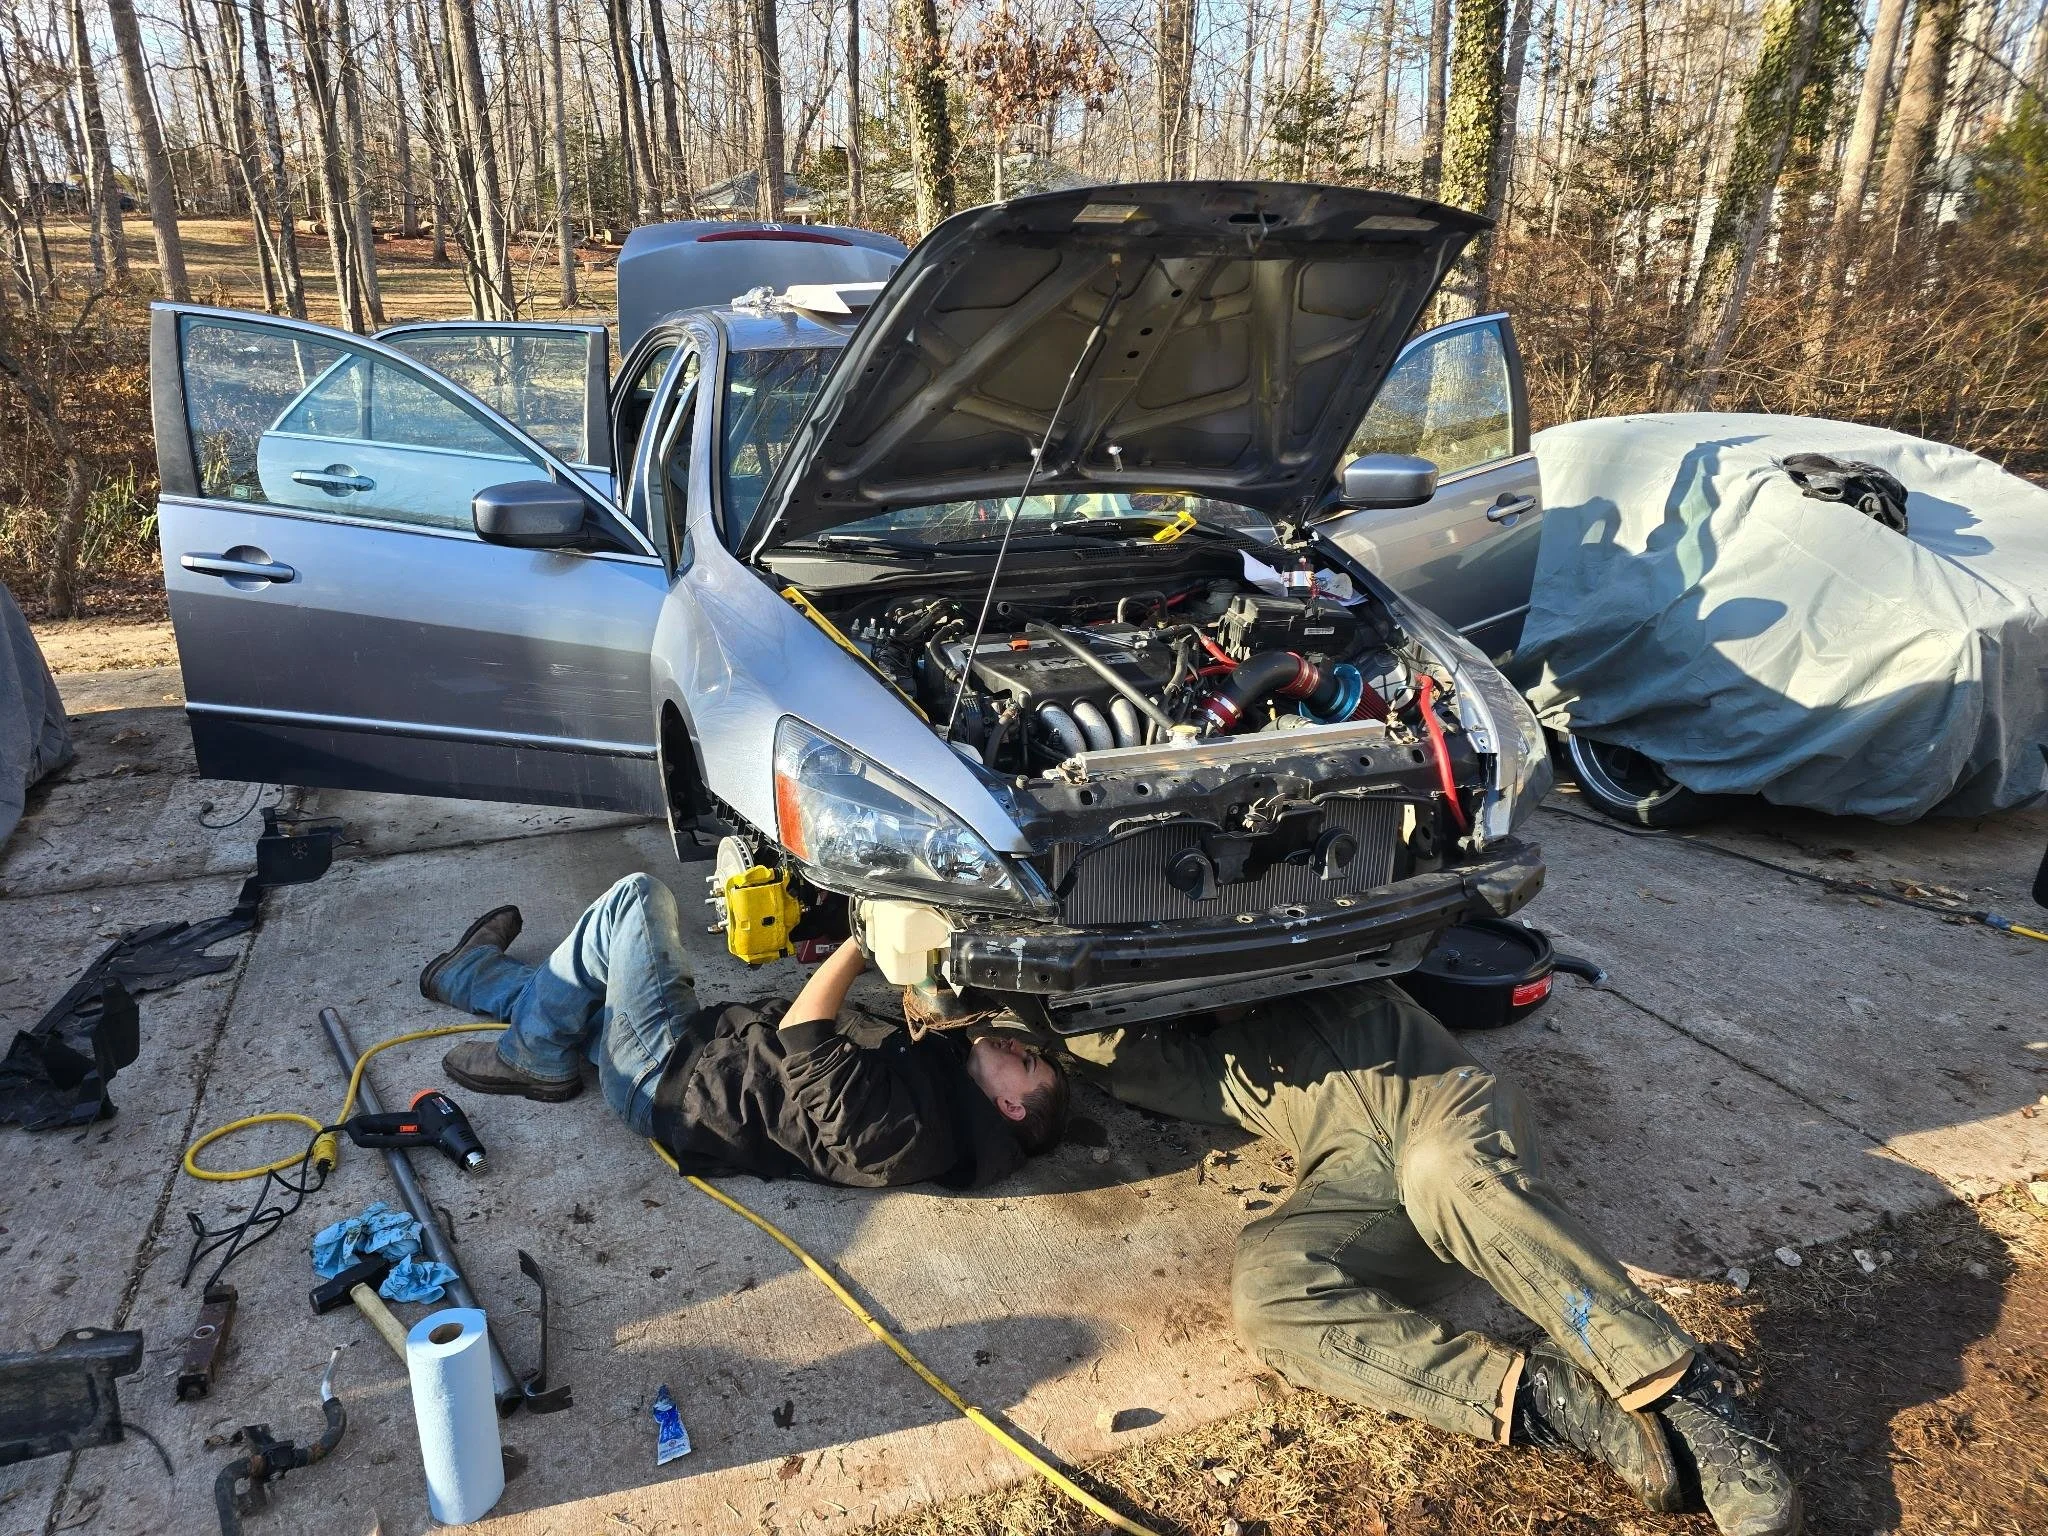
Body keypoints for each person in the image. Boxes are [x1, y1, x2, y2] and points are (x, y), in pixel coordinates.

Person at [1062, 981, 1800, 1536]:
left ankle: (1686, 1395)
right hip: (1356, 1182)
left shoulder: (1339, 965)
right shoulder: (1206, 1064)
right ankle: (1554, 1404)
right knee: (1267, 1286)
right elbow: (1079, 1031)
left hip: (1453, 1123)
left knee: (1442, 1169)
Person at [418, 873, 1069, 1188]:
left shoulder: (909, 1138)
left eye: (1027, 1062)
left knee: (635, 904)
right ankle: (466, 974)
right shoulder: (952, 1089)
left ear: (1011, 1106)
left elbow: (804, 1037)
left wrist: (862, 939)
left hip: (669, 1078)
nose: (1017, 1045)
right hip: (702, 1057)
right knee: (581, 998)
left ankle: (532, 1059)